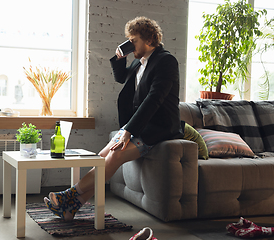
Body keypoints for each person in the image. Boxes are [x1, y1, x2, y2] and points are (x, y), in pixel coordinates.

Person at [43, 16, 183, 220]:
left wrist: (129, 130)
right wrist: (119, 59)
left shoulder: (166, 61)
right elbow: (121, 78)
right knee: (102, 157)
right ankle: (71, 209)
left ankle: (69, 196)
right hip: (139, 125)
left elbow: (154, 100)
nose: (130, 44)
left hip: (159, 127)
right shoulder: (139, 62)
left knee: (115, 156)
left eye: (133, 40)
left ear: (149, 40)